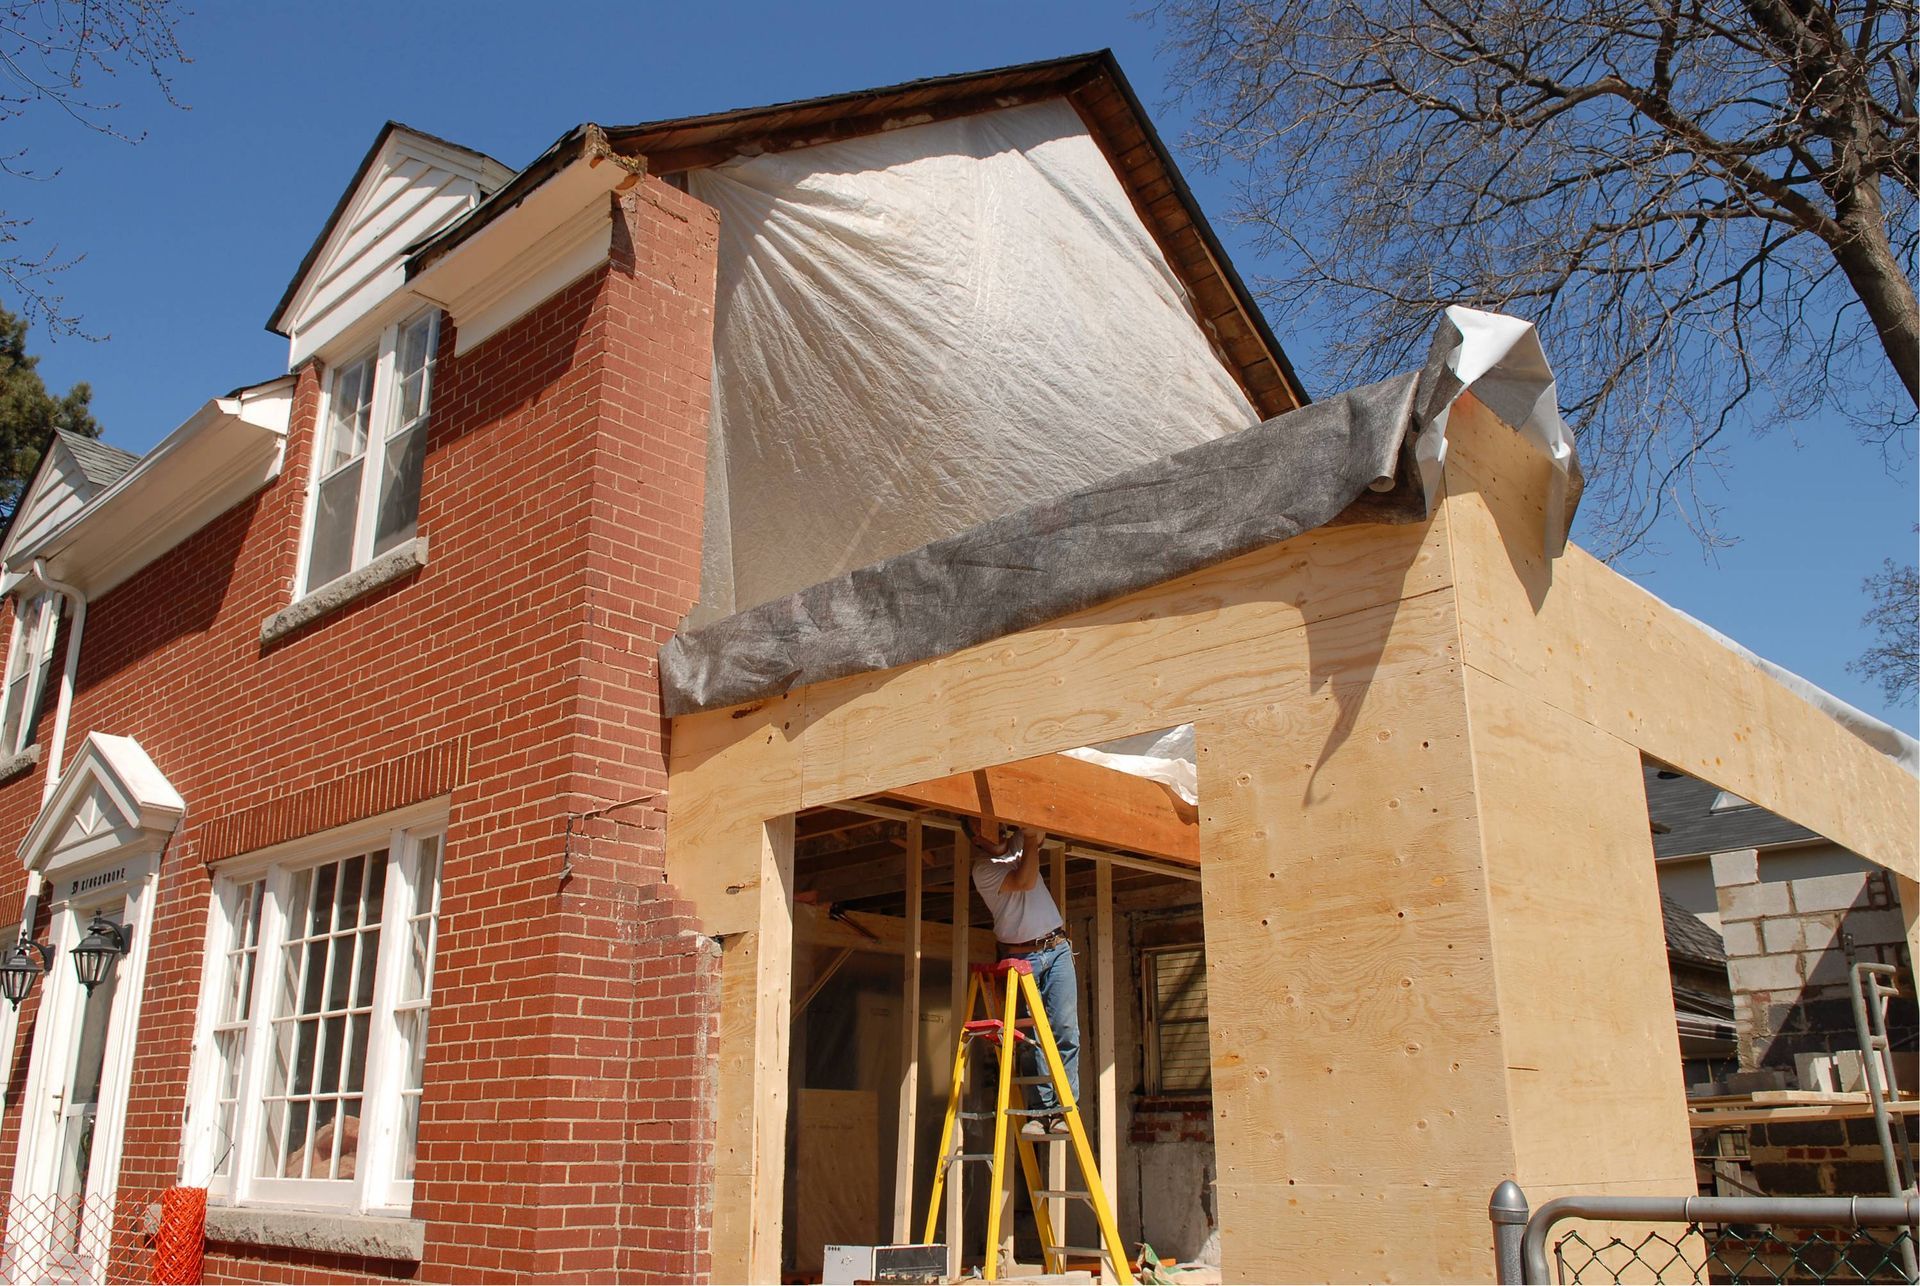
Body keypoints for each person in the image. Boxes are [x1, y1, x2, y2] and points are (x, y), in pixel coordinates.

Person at [968, 815, 1079, 1138]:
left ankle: (1064, 1110)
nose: (998, 831)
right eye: (987, 829)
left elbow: (1040, 824)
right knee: (1033, 1039)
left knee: (1065, 1029)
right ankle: (1041, 1111)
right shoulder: (984, 869)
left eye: (998, 825)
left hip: (1056, 948)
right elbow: (1025, 881)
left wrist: (1029, 826)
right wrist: (1030, 840)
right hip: (1023, 957)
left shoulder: (1016, 847)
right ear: (976, 838)